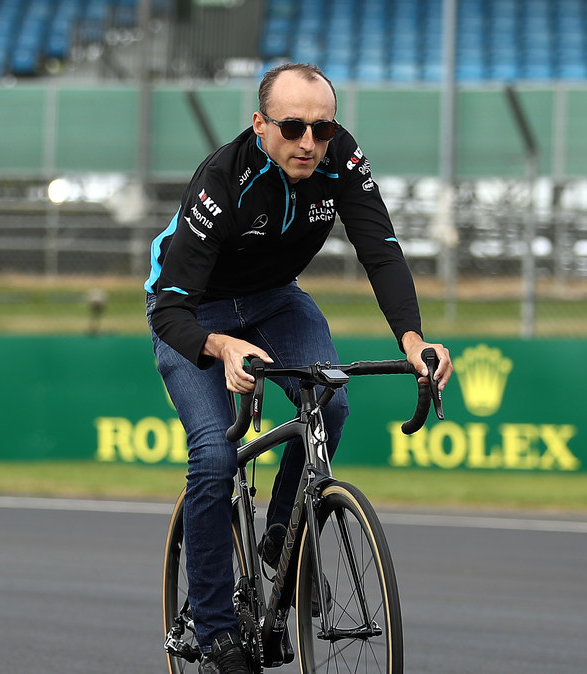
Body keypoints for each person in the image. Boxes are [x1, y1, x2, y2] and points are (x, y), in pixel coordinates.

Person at [144, 63, 452, 674]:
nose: (308, 142)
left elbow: (379, 249)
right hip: (194, 311)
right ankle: (214, 628)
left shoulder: (341, 159)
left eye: (322, 127)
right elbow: (170, 310)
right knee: (213, 455)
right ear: (260, 125)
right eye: (292, 127)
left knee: (331, 399)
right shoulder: (221, 182)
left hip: (275, 299)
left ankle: (282, 532)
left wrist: (414, 339)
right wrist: (219, 347)